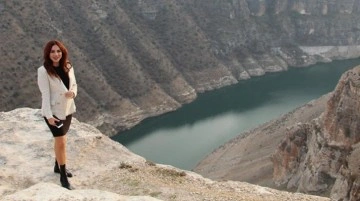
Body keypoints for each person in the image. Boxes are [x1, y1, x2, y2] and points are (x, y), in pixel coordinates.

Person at [37, 40, 77, 190]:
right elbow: (45, 95)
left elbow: (74, 85)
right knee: (61, 142)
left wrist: (73, 93)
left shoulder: (68, 66)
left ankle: (56, 166)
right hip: (53, 112)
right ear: (48, 54)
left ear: (62, 52)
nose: (56, 54)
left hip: (67, 110)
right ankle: (63, 176)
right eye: (52, 51)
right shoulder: (43, 71)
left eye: (58, 51)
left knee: (61, 140)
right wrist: (49, 116)